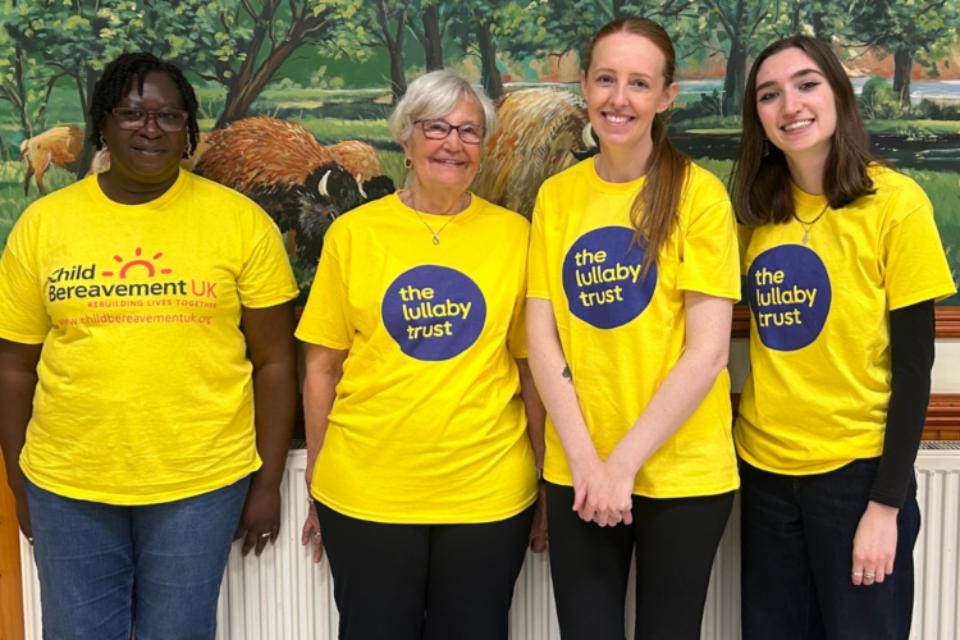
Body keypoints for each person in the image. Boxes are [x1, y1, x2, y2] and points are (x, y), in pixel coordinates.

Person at [0, 52, 299, 639]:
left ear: (188, 129)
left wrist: (266, 484)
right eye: (133, 113)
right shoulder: (43, 225)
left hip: (200, 483)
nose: (151, 128)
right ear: (102, 125)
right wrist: (18, 482)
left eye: (168, 116)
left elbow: (275, 361)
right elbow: (14, 368)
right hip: (68, 484)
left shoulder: (239, 222)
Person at [296, 69, 545, 640]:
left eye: (470, 131)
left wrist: (545, 478)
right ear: (405, 140)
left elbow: (531, 369)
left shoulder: (515, 236)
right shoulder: (353, 234)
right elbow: (321, 366)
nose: (453, 144)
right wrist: (316, 476)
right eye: (436, 128)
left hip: (487, 494)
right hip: (365, 493)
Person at [731, 35, 957, 639]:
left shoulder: (896, 204)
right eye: (769, 95)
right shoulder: (755, 212)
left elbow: (914, 368)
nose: (790, 106)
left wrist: (884, 506)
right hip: (765, 472)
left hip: (856, 477)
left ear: (837, 93)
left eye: (807, 84)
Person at [526, 17, 741, 640]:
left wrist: (622, 465)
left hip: (681, 475)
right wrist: (588, 464)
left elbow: (706, 354)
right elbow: (543, 340)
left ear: (666, 96)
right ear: (586, 87)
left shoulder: (699, 196)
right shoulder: (557, 197)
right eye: (606, 79)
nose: (619, 99)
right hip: (580, 472)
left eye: (639, 83)